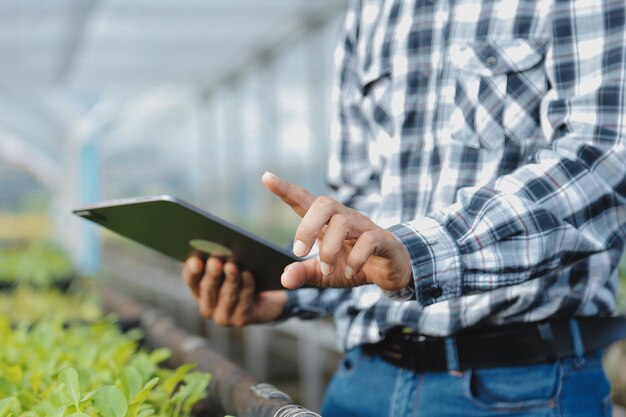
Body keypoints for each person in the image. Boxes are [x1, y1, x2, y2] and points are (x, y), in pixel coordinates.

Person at [183, 1, 626, 415]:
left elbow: (605, 158)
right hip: (364, 379)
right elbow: (361, 206)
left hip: (521, 387)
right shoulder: (374, 9)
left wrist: (418, 255)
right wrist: (286, 287)